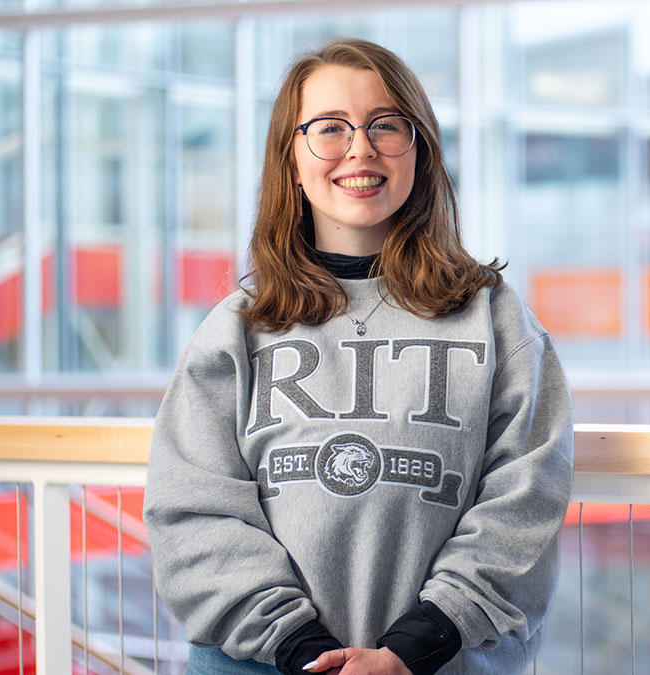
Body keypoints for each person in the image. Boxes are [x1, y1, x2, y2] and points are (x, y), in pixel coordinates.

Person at [143, 38, 574, 675]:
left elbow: (527, 497)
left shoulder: (495, 319)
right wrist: (302, 650)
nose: (360, 149)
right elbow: (193, 509)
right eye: (330, 128)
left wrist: (416, 645)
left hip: (443, 661)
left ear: (419, 149)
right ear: (290, 159)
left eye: (385, 126)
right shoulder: (236, 328)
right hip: (257, 663)